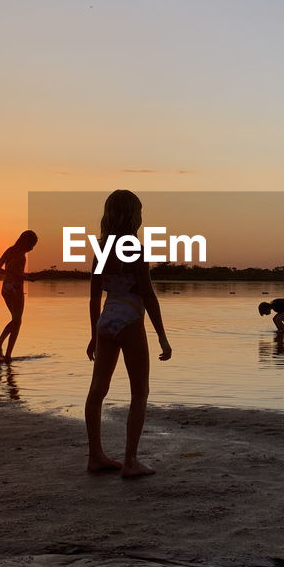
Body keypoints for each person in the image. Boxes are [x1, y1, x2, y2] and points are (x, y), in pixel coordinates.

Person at [84, 190, 171, 478]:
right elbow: (147, 294)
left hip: (107, 320)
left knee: (98, 389)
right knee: (140, 391)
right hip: (131, 320)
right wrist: (162, 336)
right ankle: (130, 461)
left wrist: (94, 333)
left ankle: (95, 456)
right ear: (134, 215)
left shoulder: (101, 249)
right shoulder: (135, 247)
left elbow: (94, 297)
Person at [0, 230, 37, 360]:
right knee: (17, 321)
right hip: (15, 288)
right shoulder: (19, 253)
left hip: (6, 288)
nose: (32, 247)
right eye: (32, 244)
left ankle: (3, 349)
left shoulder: (10, 250)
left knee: (16, 320)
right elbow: (0, 270)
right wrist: (23, 277)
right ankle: (5, 351)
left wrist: (22, 276)